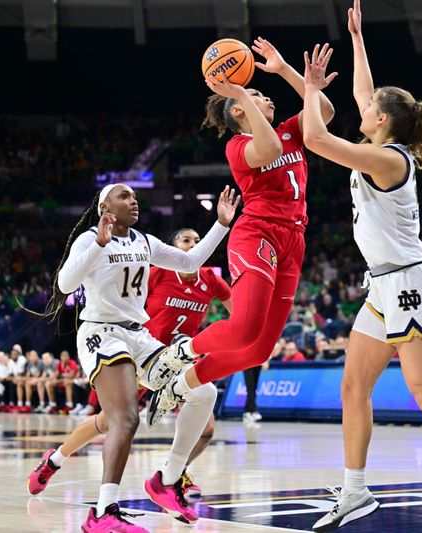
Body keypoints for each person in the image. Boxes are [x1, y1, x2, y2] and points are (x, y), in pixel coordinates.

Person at [297, 3, 422, 532]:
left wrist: (312, 89)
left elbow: (315, 140)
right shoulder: (380, 141)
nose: (362, 110)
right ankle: (356, 491)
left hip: (408, 282)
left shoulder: (388, 159)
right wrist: (357, 39)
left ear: (382, 122)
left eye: (369, 110)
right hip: (383, 285)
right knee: (352, 388)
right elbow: (366, 94)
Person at [144, 36, 336, 426]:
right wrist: (240, 91)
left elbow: (326, 111)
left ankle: (178, 386)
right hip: (257, 235)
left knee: (258, 349)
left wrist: (284, 69)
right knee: (244, 326)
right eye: (258, 95)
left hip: (293, 240)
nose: (268, 99)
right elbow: (267, 151)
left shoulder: (288, 130)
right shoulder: (238, 145)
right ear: (238, 108)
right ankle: (177, 354)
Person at [25, 183, 236, 532]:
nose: (133, 201)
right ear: (105, 206)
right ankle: (102, 513)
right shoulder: (90, 238)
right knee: (123, 420)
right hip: (102, 333)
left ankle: (167, 480)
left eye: (135, 197)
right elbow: (64, 285)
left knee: (204, 392)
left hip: (139, 335)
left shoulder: (144, 241)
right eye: (124, 196)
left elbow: (191, 261)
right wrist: (98, 245)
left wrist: (222, 225)